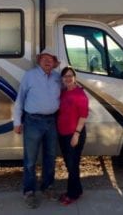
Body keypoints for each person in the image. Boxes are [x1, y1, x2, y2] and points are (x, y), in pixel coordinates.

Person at [13, 48, 61, 209]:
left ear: (54, 62)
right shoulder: (30, 76)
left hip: (51, 122)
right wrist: (17, 122)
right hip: (33, 121)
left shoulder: (57, 77)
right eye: (44, 58)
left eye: (51, 59)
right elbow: (20, 99)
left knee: (50, 157)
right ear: (39, 61)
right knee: (30, 160)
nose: (47, 61)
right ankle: (29, 192)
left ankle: (47, 187)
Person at [57, 66, 89, 206]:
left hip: (74, 134)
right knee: (71, 165)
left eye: (70, 76)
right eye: (65, 76)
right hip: (63, 134)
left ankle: (72, 194)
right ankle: (78, 190)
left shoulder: (80, 94)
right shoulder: (64, 93)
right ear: (62, 79)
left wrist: (76, 134)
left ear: (75, 77)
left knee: (72, 165)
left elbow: (83, 116)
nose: (68, 78)